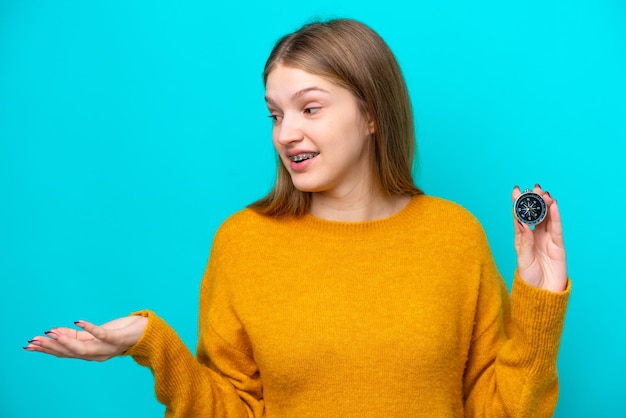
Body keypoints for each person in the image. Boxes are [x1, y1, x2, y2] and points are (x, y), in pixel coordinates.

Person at [24, 18, 570, 417]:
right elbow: (232, 409)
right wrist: (152, 342)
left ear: (373, 114)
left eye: (310, 108)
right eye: (275, 114)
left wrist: (539, 301)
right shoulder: (244, 242)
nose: (285, 133)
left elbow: (498, 411)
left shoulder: (454, 236)